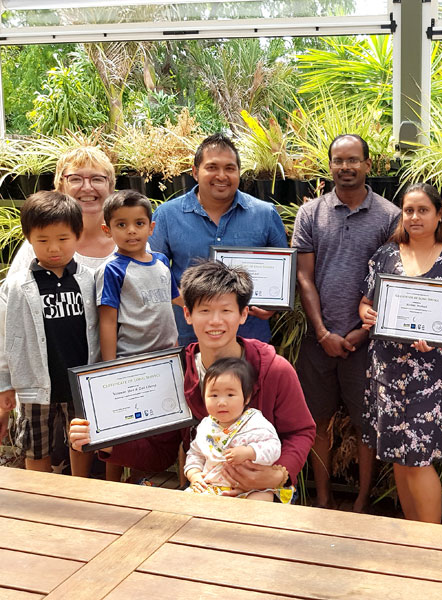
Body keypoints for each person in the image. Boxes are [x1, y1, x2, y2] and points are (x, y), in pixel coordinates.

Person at [69, 260, 315, 494]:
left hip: (263, 492)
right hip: (204, 490)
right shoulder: (175, 372)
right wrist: (105, 441)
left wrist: (278, 474)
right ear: (187, 314)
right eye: (204, 310)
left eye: (226, 310)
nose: (215, 321)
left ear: (243, 314)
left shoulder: (273, 369)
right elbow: (160, 453)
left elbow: (300, 432)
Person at [292, 134, 400, 512]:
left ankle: (361, 502)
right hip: (317, 340)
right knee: (317, 423)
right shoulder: (310, 213)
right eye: (338, 161)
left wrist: (360, 333)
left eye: (353, 160)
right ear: (330, 166)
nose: (345, 167)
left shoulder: (390, 216)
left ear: (368, 164)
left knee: (366, 426)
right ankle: (322, 499)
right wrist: (323, 332)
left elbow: (392, 282)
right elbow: (304, 277)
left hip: (367, 344)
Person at [359, 183, 442, 524]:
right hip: (388, 371)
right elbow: (366, 302)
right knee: (399, 453)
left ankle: (432, 541)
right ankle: (413, 538)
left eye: (423, 210)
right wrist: (367, 313)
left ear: (439, 214)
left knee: (419, 457)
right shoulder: (386, 254)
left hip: (434, 371)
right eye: (408, 210)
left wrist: (438, 334)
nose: (414, 217)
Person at [149, 133, 287, 346]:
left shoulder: (265, 214)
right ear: (195, 172)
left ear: (239, 172)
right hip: (188, 338)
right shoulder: (167, 215)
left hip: (249, 338)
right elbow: (150, 273)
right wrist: (193, 301)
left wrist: (273, 305)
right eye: (212, 167)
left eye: (230, 168)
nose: (222, 176)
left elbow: (283, 274)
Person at [0, 191, 100, 477]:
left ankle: (80, 490)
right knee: (35, 446)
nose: (53, 248)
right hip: (34, 383)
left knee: (81, 441)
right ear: (29, 238)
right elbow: (4, 337)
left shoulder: (90, 279)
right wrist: (4, 384)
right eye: (43, 240)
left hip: (79, 381)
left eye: (63, 239)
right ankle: (40, 495)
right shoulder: (16, 287)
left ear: (78, 235)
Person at [96, 190, 180, 361]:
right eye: (121, 225)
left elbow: (174, 299)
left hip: (170, 355)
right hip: (132, 360)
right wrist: (109, 367)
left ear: (151, 228)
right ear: (107, 230)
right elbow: (107, 322)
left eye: (139, 223)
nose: (131, 231)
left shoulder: (162, 261)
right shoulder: (111, 270)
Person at [8, 146, 117, 276]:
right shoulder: (41, 242)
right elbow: (13, 287)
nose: (87, 188)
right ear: (60, 186)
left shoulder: (130, 238)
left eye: (97, 179)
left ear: (111, 187)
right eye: (75, 179)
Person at [185, 357, 281, 501]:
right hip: (212, 487)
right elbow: (195, 453)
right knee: (185, 501)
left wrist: (249, 452)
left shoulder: (254, 422)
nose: (221, 402)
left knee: (262, 498)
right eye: (214, 395)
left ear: (246, 397)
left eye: (230, 395)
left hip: (249, 487)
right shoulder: (206, 426)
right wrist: (194, 474)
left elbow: (273, 447)